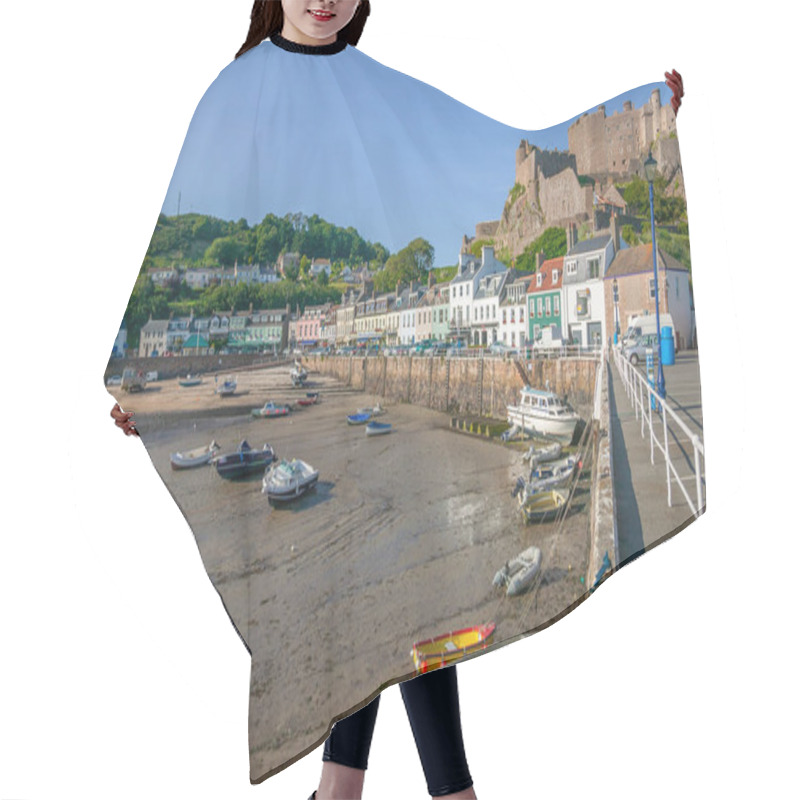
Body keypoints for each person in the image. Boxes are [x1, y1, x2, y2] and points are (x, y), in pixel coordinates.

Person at [110, 2, 684, 797]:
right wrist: (135, 384)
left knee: (413, 595)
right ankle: (425, 791)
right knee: (383, 602)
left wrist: (652, 117)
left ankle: (360, 790)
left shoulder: (376, 85)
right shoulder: (233, 92)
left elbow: (463, 142)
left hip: (397, 441)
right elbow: (173, 236)